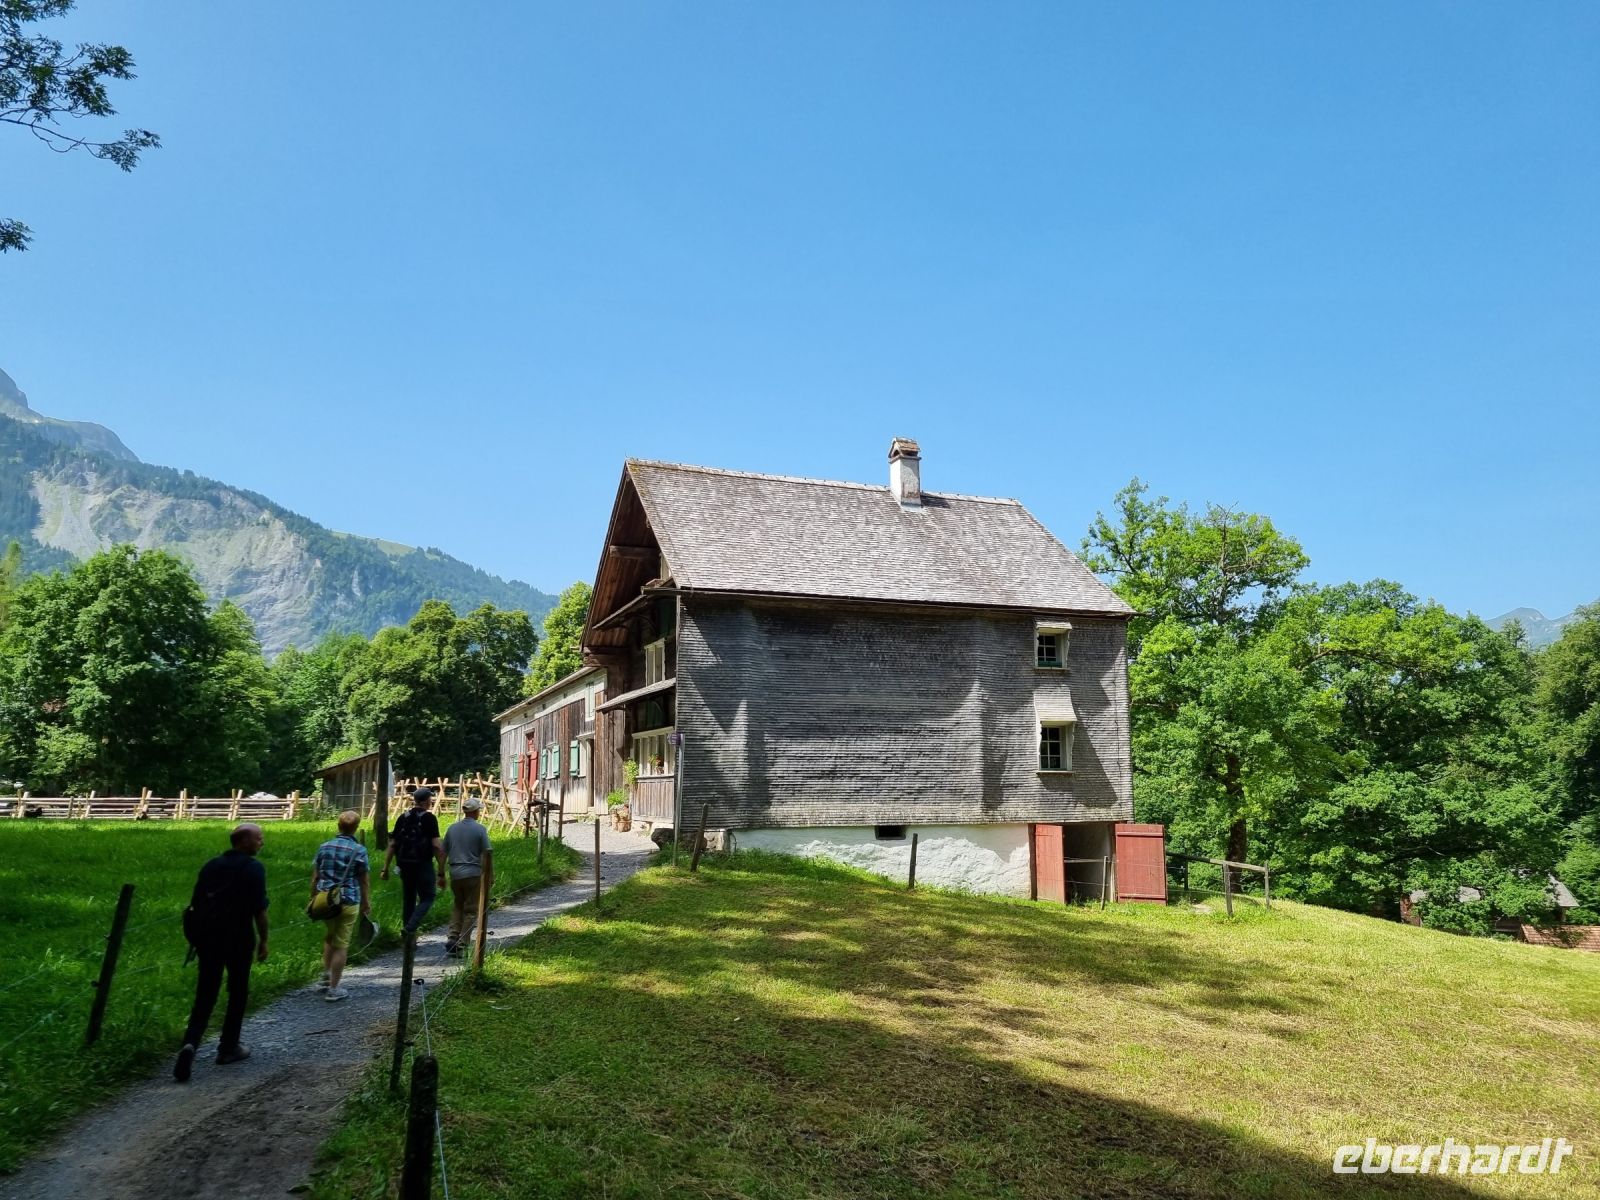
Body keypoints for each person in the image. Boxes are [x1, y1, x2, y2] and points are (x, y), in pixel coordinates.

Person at [174, 822, 269, 1082]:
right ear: (244, 842)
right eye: (259, 838)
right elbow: (259, 910)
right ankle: (228, 1047)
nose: (262, 842)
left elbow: (195, 903)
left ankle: (190, 1043)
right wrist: (264, 940)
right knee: (237, 991)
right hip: (238, 938)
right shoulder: (254, 869)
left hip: (208, 938)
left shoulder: (211, 865)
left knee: (206, 992)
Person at [311, 810, 371, 1001]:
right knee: (342, 943)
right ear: (355, 828)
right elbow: (364, 881)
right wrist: (366, 903)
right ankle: (334, 989)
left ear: (338, 825)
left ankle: (326, 975)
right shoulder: (359, 850)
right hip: (349, 900)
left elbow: (315, 876)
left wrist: (313, 897)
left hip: (326, 900)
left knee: (330, 936)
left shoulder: (324, 847)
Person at [381, 786, 446, 935]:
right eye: (430, 798)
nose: (431, 800)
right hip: (422, 863)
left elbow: (393, 844)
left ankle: (408, 936)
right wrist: (441, 870)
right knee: (428, 896)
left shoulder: (403, 817)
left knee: (409, 898)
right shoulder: (429, 818)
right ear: (426, 801)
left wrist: (385, 868)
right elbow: (436, 845)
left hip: (404, 863)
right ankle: (410, 928)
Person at [442, 797, 494, 956]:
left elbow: (443, 852)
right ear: (476, 811)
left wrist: (440, 872)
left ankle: (452, 935)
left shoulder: (452, 828)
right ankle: (462, 942)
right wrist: (490, 875)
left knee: (458, 904)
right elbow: (487, 853)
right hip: (473, 873)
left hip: (455, 872)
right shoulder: (480, 829)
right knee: (471, 909)